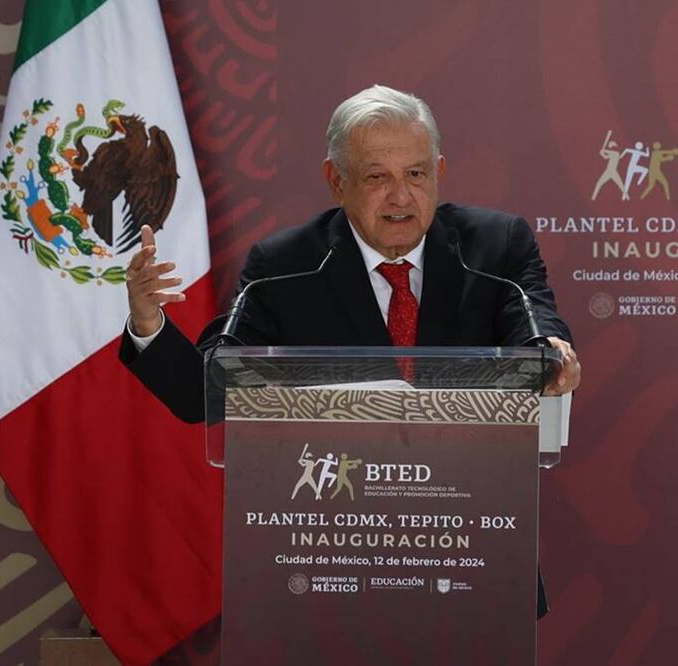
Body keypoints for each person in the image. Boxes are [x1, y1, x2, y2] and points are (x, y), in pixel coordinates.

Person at [119, 84, 580, 618]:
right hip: (334, 556)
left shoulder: (496, 245)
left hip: (469, 544)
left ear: (439, 171)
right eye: (377, 177)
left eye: (416, 173)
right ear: (336, 181)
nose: (401, 196)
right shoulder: (284, 263)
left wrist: (551, 354)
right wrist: (149, 321)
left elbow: (536, 329)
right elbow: (204, 391)